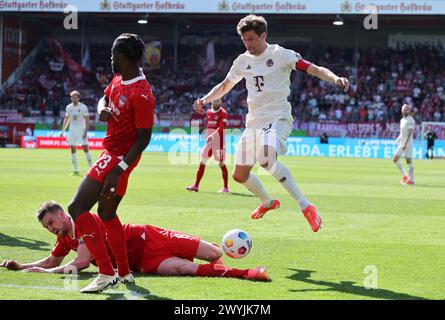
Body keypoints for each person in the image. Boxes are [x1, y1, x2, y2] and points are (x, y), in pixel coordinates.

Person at [193, 15, 349, 232]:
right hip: (254, 122)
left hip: (278, 117)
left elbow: (313, 68)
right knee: (240, 175)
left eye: (251, 39)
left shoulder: (281, 55)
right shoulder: (242, 61)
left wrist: (335, 78)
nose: (248, 44)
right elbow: (225, 85)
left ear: (263, 35)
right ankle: (267, 202)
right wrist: (205, 99)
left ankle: (306, 206)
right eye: (244, 40)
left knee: (266, 160)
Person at [65, 33, 155, 293]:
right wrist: (101, 109)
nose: (111, 59)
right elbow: (104, 97)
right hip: (112, 155)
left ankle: (105, 272)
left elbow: (144, 139)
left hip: (117, 158)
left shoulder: (142, 93)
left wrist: (119, 170)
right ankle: (124, 272)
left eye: (114, 54)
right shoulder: (119, 78)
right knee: (106, 214)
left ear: (124, 57)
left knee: (77, 207)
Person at [0, 201, 269, 284]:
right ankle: (246, 273)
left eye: (51, 223)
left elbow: (81, 262)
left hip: (149, 236)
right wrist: (23, 266)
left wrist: (46, 272)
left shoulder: (82, 221)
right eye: (48, 228)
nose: (51, 230)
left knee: (213, 253)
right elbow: (52, 260)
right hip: (144, 261)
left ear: (61, 215)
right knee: (185, 269)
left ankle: (218, 255)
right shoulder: (66, 237)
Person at [186, 99, 229, 193]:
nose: (215, 102)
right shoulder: (209, 112)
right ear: (211, 102)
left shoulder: (223, 112)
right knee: (202, 162)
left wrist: (212, 136)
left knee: (221, 163)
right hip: (209, 143)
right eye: (214, 101)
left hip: (219, 143)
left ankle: (225, 187)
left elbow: (222, 127)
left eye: (217, 101)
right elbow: (208, 126)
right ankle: (196, 185)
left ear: (220, 102)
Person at [59, 90, 93, 175]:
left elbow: (87, 120)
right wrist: (63, 131)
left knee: (85, 148)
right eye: (72, 97)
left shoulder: (83, 107)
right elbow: (67, 119)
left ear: (78, 98)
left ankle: (92, 169)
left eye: (75, 97)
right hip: (72, 130)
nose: (74, 99)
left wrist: (85, 131)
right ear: (71, 98)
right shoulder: (68, 107)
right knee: (72, 149)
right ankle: (76, 170)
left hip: (81, 130)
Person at [393, 104, 415, 185]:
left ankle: (411, 180)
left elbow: (409, 133)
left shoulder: (411, 120)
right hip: (401, 143)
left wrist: (405, 144)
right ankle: (405, 175)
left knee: (408, 161)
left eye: (406, 109)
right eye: (403, 109)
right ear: (401, 110)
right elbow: (402, 133)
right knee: (395, 159)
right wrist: (398, 139)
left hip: (407, 144)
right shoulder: (402, 120)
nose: (405, 110)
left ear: (409, 111)